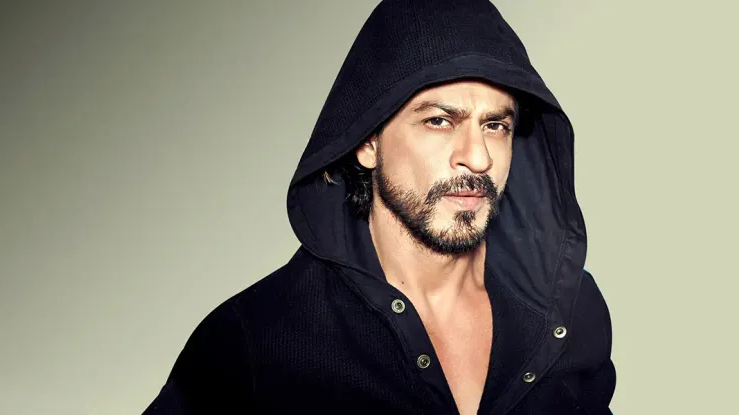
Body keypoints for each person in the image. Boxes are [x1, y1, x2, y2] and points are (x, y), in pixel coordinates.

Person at [143, 0, 615, 413]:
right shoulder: (256, 341)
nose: (478, 157)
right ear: (368, 142)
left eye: (496, 126)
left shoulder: (569, 309)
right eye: (439, 121)